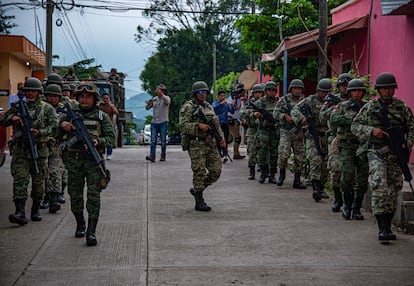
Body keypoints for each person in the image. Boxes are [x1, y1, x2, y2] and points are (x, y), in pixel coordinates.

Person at [351, 72, 414, 242]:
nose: (387, 91)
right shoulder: (370, 107)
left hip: (396, 154)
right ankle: (382, 228)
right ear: (378, 90)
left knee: (394, 188)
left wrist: (406, 146)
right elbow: (355, 126)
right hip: (376, 152)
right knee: (379, 186)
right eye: (384, 88)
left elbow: (412, 127)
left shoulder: (402, 107)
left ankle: (388, 223)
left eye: (390, 88)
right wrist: (372, 130)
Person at [59, 82, 115, 246]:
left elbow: (111, 138)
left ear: (94, 98)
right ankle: (80, 223)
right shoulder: (69, 116)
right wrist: (63, 126)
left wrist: (99, 141)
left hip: (92, 161)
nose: (84, 100)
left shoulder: (101, 116)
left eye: (88, 96)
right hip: (74, 160)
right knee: (75, 195)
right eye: (81, 96)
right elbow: (55, 132)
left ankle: (91, 231)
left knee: (93, 197)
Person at [0, 77, 57, 226]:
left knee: (39, 182)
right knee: (20, 180)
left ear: (39, 93)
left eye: (34, 91)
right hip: (20, 150)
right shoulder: (18, 106)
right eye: (28, 91)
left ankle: (36, 209)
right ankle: (20, 212)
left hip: (39, 150)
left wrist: (41, 132)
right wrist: (14, 118)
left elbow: (54, 127)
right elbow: (3, 120)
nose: (31, 94)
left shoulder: (47, 108)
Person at [179, 81, 225, 212]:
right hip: (196, 143)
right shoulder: (188, 107)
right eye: (201, 92)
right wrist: (198, 126)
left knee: (216, 171)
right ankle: (199, 200)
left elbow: (216, 124)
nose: (204, 94)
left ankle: (197, 189)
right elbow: (182, 126)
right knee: (199, 171)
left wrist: (221, 138)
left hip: (211, 143)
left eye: (205, 92)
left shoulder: (209, 106)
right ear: (195, 93)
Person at [331, 78, 368, 220]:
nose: (357, 94)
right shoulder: (342, 106)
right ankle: (346, 206)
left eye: (359, 91)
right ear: (350, 92)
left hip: (363, 145)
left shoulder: (367, 107)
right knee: (346, 177)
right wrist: (351, 120)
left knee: (363, 178)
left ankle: (356, 208)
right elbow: (333, 120)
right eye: (354, 91)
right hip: (347, 144)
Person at [291, 78, 331, 202]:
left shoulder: (332, 101)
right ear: (318, 90)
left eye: (327, 92)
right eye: (322, 92)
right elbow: (295, 110)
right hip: (312, 136)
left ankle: (322, 187)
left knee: (325, 164)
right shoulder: (310, 100)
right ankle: (315, 188)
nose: (324, 94)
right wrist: (301, 118)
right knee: (315, 161)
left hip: (326, 136)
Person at [320, 73, 352, 212]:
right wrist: (333, 110)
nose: (344, 88)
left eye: (347, 85)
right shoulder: (332, 100)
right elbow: (322, 117)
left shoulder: (355, 101)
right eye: (342, 85)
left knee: (352, 174)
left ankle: (350, 203)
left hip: (353, 139)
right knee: (335, 170)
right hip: (335, 139)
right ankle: (338, 199)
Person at [273, 79, 306, 189]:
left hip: (299, 132)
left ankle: (297, 180)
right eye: (295, 88)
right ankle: (282, 176)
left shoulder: (304, 101)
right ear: (291, 89)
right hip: (286, 131)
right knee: (283, 154)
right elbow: (275, 113)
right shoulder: (284, 100)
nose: (297, 90)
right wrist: (285, 116)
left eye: (299, 89)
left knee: (299, 157)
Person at [44, 84, 67, 214]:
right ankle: (46, 197)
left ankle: (54, 199)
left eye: (54, 96)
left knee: (55, 171)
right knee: (43, 172)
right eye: (50, 96)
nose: (52, 98)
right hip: (42, 144)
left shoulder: (64, 110)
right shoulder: (42, 109)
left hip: (58, 145)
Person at [254, 81, 280, 184]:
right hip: (263, 130)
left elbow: (284, 111)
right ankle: (263, 173)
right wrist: (255, 114)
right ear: (266, 91)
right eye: (269, 90)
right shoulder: (260, 102)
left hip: (274, 130)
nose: (271, 92)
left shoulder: (279, 102)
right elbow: (248, 111)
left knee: (274, 152)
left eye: (273, 90)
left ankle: (272, 175)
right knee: (262, 152)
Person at [240, 83, 264, 180]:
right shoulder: (249, 104)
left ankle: (264, 171)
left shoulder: (265, 103)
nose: (258, 95)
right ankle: (252, 171)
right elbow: (241, 114)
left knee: (264, 152)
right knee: (251, 152)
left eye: (260, 93)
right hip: (252, 130)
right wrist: (251, 113)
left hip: (263, 129)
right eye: (256, 93)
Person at [145, 84, 171, 162]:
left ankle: (163, 155)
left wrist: (162, 95)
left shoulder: (166, 98)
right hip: (154, 122)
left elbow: (168, 102)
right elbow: (147, 108)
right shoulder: (155, 99)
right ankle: (152, 156)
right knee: (153, 140)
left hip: (163, 121)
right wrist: (149, 103)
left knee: (163, 140)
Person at [212, 89, 233, 163]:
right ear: (218, 96)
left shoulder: (226, 104)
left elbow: (232, 111)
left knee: (225, 139)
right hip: (217, 124)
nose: (223, 97)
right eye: (221, 96)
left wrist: (232, 106)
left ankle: (225, 154)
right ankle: (219, 154)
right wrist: (221, 104)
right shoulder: (215, 103)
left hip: (225, 123)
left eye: (224, 96)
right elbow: (213, 109)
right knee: (218, 139)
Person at [227, 82, 246, 160]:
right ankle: (235, 154)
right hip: (230, 120)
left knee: (230, 138)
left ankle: (225, 151)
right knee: (237, 138)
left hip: (235, 120)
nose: (243, 93)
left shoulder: (238, 100)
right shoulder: (231, 99)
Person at [99, 93, 119, 160]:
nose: (105, 100)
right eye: (104, 98)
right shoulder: (100, 105)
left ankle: (109, 154)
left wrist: (110, 106)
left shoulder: (111, 106)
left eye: (107, 98)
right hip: (101, 124)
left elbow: (116, 113)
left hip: (109, 125)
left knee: (109, 140)